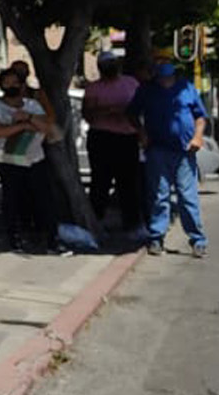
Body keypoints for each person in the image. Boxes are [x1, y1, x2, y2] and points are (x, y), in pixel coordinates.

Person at [128, 61, 210, 258]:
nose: (165, 81)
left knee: (187, 196)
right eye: (161, 77)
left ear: (174, 75)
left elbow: (200, 117)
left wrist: (198, 137)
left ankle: (197, 240)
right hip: (157, 150)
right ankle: (156, 238)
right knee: (158, 195)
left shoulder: (187, 88)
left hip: (184, 151)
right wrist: (141, 133)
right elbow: (131, 114)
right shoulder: (147, 90)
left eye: (168, 77)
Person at [0, 68, 56, 252]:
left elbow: (47, 128)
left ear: (22, 85)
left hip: (34, 159)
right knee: (12, 200)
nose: (11, 87)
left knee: (43, 199)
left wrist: (29, 117)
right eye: (7, 83)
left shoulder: (32, 105)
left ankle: (48, 237)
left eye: (15, 83)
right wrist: (24, 125)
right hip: (8, 160)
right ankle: (14, 237)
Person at [81, 53, 144, 231]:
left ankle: (132, 223)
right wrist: (108, 111)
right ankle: (97, 221)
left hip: (127, 138)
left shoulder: (131, 83)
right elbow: (88, 114)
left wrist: (139, 129)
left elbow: (139, 108)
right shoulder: (94, 88)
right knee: (100, 182)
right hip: (102, 137)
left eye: (112, 63)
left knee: (129, 183)